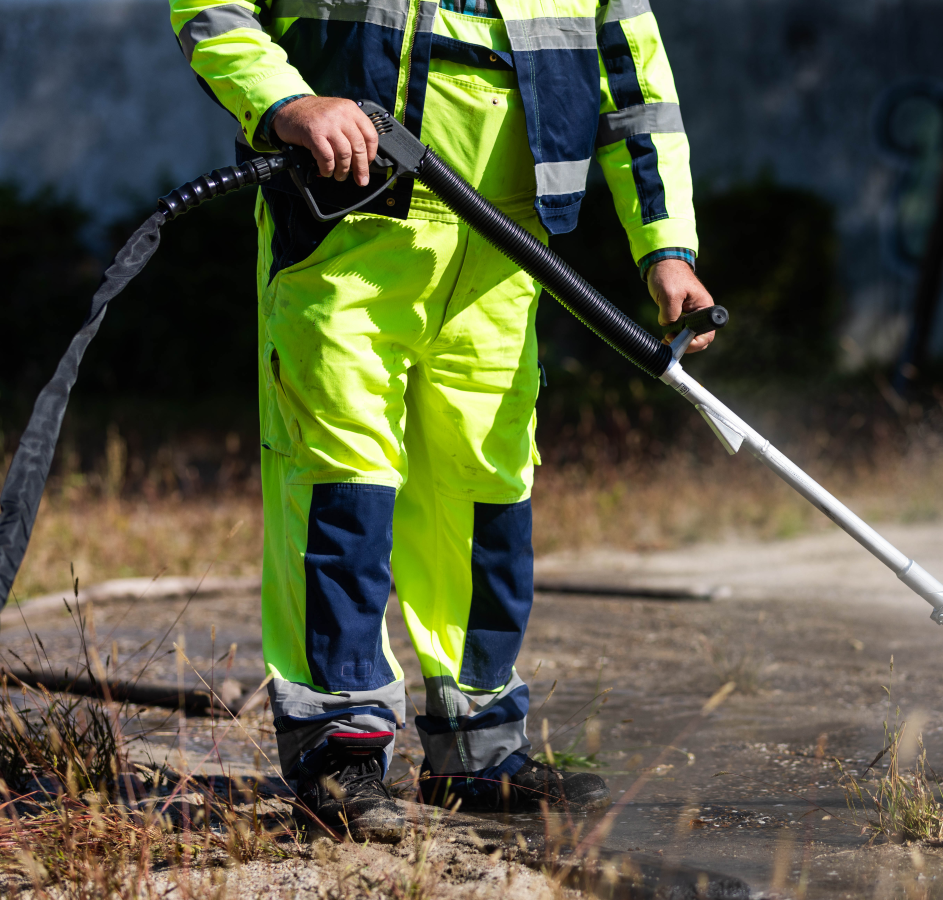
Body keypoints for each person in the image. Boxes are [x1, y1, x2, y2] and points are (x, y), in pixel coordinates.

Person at [170, 0, 715, 841]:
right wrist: (286, 103)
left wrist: (668, 246)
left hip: (506, 249)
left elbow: (637, 89)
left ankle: (479, 748)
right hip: (348, 230)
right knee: (340, 476)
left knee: (484, 488)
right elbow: (211, 10)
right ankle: (340, 744)